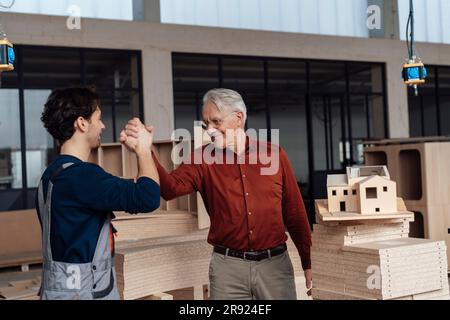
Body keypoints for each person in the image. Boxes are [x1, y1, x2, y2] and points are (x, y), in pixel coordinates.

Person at [122, 88, 312, 300]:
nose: (209, 130)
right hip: (228, 270)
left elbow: (294, 212)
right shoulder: (202, 159)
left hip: (274, 267)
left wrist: (308, 261)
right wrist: (145, 151)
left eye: (216, 122)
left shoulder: (274, 155)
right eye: (206, 124)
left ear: (238, 119)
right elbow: (170, 189)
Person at [36, 87, 160, 300]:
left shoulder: (51, 176)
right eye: (98, 118)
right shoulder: (82, 177)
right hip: (87, 293)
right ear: (82, 123)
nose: (103, 125)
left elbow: (133, 189)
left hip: (60, 292)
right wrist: (143, 150)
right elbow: (148, 197)